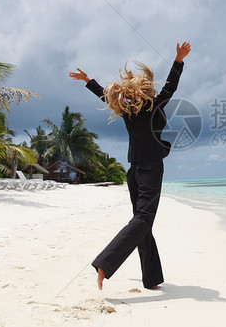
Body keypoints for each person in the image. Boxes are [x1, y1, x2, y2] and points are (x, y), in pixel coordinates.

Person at [68, 42, 191, 290]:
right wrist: (178, 61)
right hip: (150, 169)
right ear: (147, 93)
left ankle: (152, 278)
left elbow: (106, 95)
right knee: (143, 221)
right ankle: (105, 262)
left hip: (134, 171)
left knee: (142, 222)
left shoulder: (127, 111)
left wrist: (88, 80)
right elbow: (170, 87)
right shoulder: (154, 106)